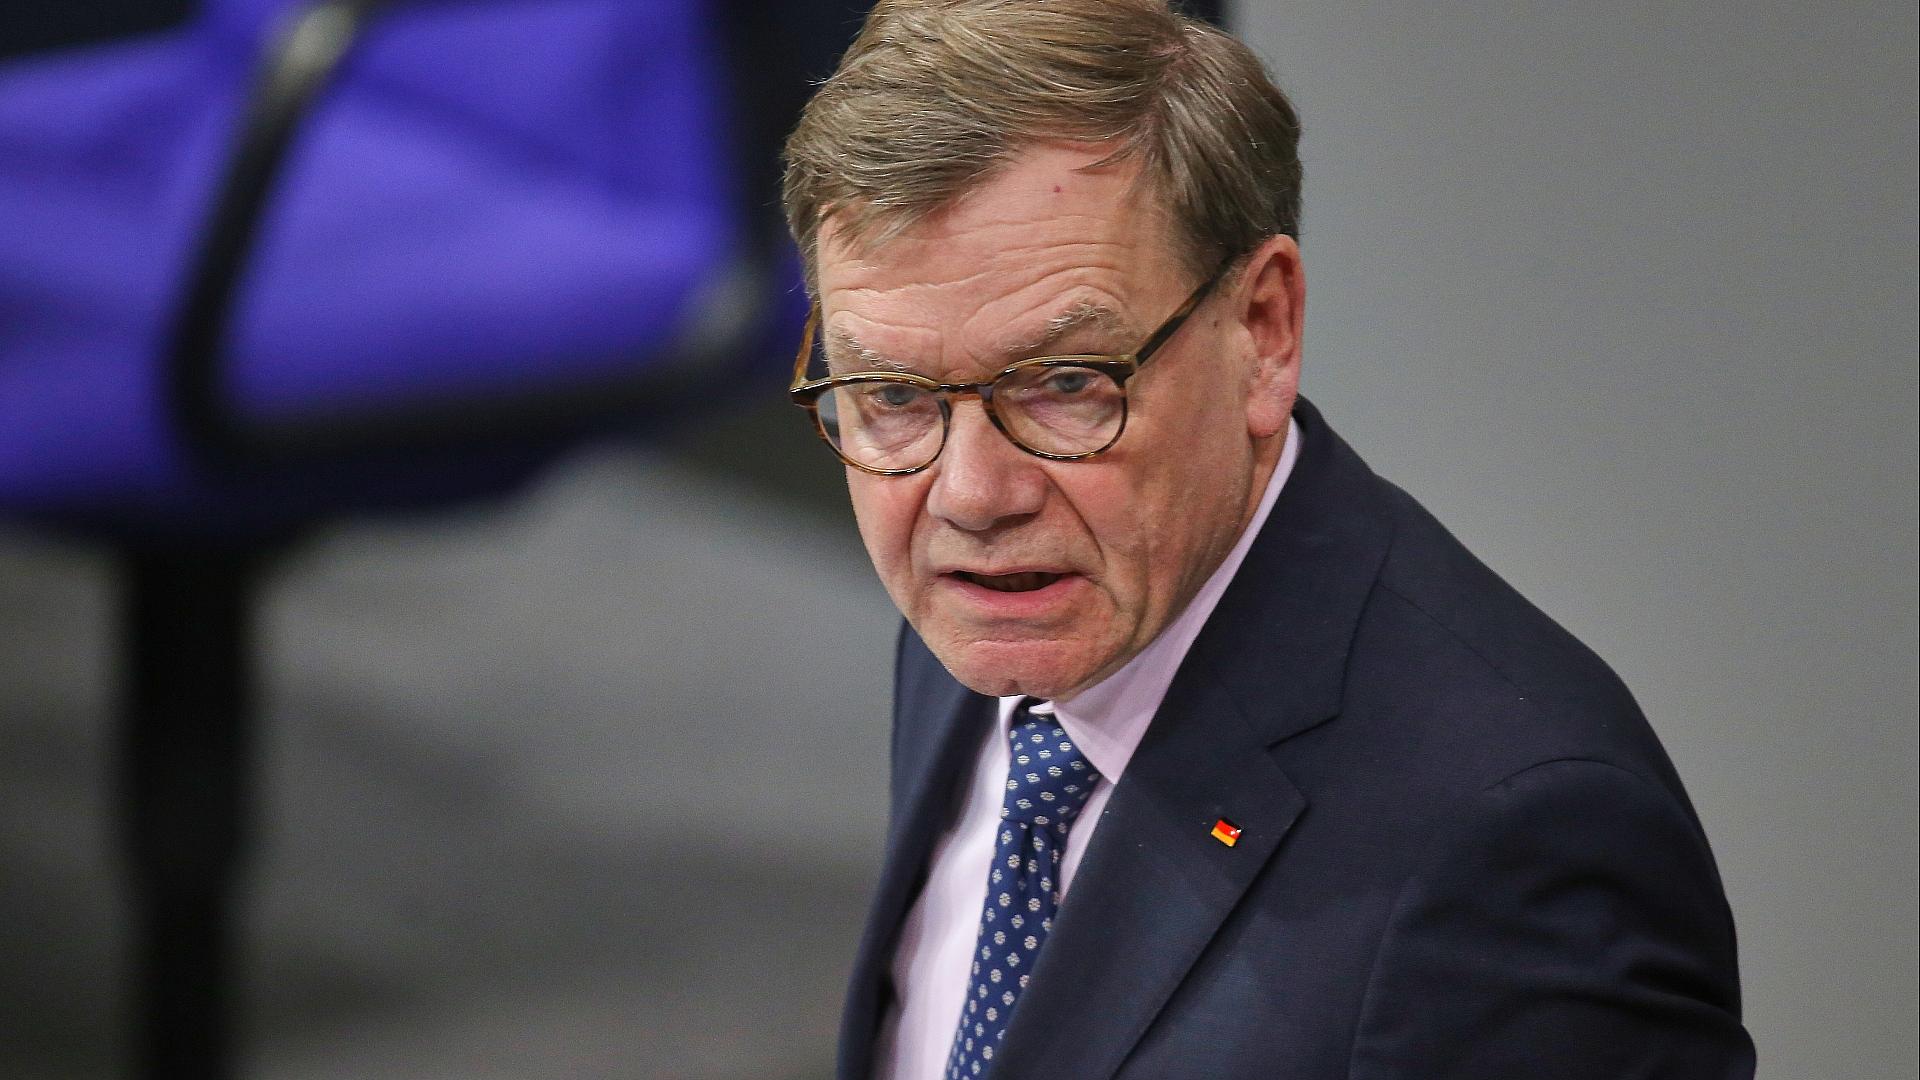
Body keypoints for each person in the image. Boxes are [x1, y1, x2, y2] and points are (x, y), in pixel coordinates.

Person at [781, 3, 1757, 1078]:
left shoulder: (1516, 839)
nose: (972, 496)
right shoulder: (1004, 601)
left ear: (1264, 329)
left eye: (1064, 383)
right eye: (891, 393)